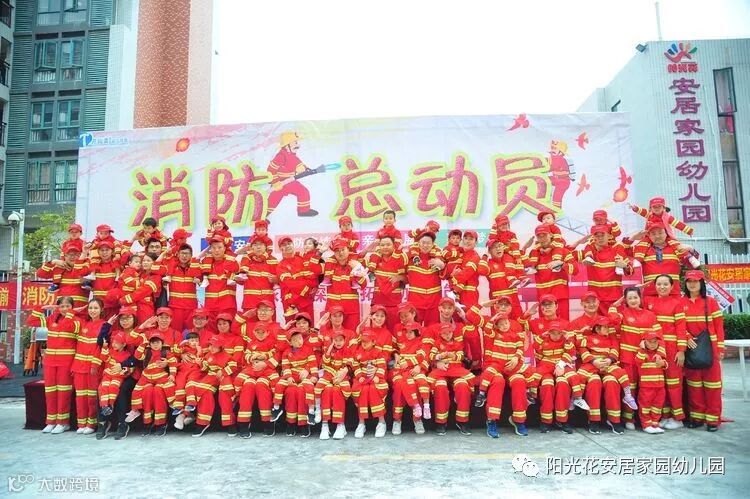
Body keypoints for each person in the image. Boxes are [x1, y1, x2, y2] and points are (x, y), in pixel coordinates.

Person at [608, 286, 664, 430]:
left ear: (640, 298)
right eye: (629, 298)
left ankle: (649, 420)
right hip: (628, 359)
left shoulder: (650, 315)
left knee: (647, 391)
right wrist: (615, 304)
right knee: (630, 389)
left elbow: (660, 337)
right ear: (625, 300)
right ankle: (629, 418)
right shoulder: (623, 314)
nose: (633, 300)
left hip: (648, 360)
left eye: (635, 297)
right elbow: (613, 319)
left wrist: (660, 354)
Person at [27, 297, 81, 434]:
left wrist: (71, 313)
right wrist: (41, 308)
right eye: (61, 306)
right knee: (50, 391)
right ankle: (51, 421)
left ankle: (63, 422)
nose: (64, 309)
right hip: (50, 361)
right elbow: (31, 322)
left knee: (64, 392)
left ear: (72, 307)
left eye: (68, 306)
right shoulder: (51, 319)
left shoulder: (76, 321)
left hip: (66, 361)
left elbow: (66, 326)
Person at [576, 316, 637, 434]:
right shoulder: (588, 338)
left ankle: (614, 420)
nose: (607, 329)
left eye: (607, 326)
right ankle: (593, 420)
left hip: (608, 365)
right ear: (597, 329)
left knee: (611, 382)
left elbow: (615, 351)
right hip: (592, 366)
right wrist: (594, 361)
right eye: (604, 327)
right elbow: (583, 350)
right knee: (594, 382)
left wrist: (609, 360)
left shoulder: (611, 339)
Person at [682, 270, 724, 431]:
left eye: (695, 281)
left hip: (710, 349)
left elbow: (719, 327)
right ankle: (697, 417)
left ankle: (713, 419)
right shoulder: (681, 302)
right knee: (694, 386)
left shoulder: (710, 302)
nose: (692, 284)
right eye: (689, 281)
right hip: (691, 350)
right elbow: (678, 325)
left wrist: (720, 347)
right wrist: (686, 337)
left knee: (712, 386)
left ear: (701, 283)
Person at [644, 274, 687, 429]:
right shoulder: (648, 301)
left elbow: (681, 328)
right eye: (659, 284)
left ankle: (678, 418)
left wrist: (681, 351)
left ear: (672, 286)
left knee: (674, 384)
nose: (662, 287)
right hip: (654, 348)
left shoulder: (677, 304)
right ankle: (666, 416)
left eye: (665, 284)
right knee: (660, 384)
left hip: (672, 349)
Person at [534, 321, 589, 434]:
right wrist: (541, 336)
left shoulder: (565, 341)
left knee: (563, 384)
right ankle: (545, 421)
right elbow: (535, 349)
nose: (556, 336)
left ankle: (563, 420)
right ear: (548, 333)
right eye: (553, 333)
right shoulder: (543, 340)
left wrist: (561, 364)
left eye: (558, 333)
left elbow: (570, 352)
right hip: (547, 368)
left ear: (562, 333)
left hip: (562, 367)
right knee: (547, 385)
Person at [234, 321, 280, 438]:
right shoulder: (251, 343)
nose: (260, 334)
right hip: (252, 370)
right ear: (254, 333)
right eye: (257, 332)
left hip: (265, 372)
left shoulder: (272, 342)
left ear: (268, 332)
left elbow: (277, 356)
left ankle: (268, 423)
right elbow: (246, 355)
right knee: (248, 385)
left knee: (261, 385)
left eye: (262, 332)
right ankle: (243, 425)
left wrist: (265, 362)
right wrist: (251, 358)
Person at [127, 331, 177, 436]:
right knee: (140, 391)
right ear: (149, 344)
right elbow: (137, 356)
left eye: (158, 342)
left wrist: (172, 374)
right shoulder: (147, 352)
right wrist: (143, 344)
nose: (155, 345)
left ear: (162, 343)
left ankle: (164, 419)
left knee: (165, 387)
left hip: (160, 377)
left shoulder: (166, 352)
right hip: (147, 378)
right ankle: (144, 420)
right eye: (153, 342)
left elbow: (173, 363)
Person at [428, 323, 474, 436]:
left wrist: (454, 356)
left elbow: (461, 356)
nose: (447, 335)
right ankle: (441, 422)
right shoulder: (437, 343)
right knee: (440, 387)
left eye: (449, 332)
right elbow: (431, 356)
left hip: (456, 369)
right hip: (441, 370)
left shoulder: (457, 343)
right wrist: (439, 357)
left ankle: (462, 421)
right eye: (444, 333)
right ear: (440, 334)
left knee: (463, 386)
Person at [271, 329, 318, 437]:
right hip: (292, 375)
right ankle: (277, 408)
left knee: (308, 388)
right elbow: (286, 366)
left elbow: (313, 363)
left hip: (305, 376)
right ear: (290, 342)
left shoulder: (308, 349)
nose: (299, 342)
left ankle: (310, 412)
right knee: (280, 385)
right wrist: (288, 377)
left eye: (300, 338)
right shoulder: (286, 352)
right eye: (295, 340)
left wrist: (314, 376)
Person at [186, 335, 236, 437]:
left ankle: (230, 424)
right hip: (211, 378)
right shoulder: (208, 355)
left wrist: (223, 372)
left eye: (214, 346)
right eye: (210, 345)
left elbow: (234, 366)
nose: (211, 348)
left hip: (224, 378)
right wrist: (200, 364)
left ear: (221, 347)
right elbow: (206, 368)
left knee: (224, 393)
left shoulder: (227, 356)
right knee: (205, 393)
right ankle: (202, 423)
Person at [525, 225, 576, 320]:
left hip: (560, 298)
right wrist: (524, 248)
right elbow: (523, 268)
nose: (542, 238)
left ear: (551, 235)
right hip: (543, 299)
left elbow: (575, 270)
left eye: (544, 235)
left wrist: (562, 264)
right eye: (539, 236)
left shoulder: (563, 251)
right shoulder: (534, 254)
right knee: (545, 327)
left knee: (563, 326)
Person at [71, 298, 106, 434]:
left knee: (91, 396)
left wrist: (95, 365)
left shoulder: (104, 326)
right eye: (90, 308)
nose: (92, 310)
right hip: (79, 366)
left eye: (96, 308)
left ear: (101, 310)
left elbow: (101, 348)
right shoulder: (83, 324)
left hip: (94, 367)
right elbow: (68, 317)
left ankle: (91, 423)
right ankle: (81, 423)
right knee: (80, 396)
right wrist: (75, 310)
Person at [580, 225, 632, 314]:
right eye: (597, 236)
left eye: (602, 235)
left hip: (614, 298)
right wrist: (579, 242)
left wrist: (625, 266)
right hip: (595, 300)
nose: (600, 238)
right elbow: (567, 254)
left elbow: (631, 271)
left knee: (616, 322)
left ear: (609, 236)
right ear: (593, 238)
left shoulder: (617, 250)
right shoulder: (588, 252)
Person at [391, 322, 430, 436]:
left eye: (411, 332)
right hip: (401, 371)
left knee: (415, 384)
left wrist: (417, 366)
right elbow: (392, 348)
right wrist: (395, 354)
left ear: (417, 333)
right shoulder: (401, 342)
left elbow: (423, 358)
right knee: (399, 386)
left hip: (415, 371)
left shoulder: (421, 343)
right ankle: (397, 420)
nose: (407, 334)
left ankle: (417, 419)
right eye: (406, 332)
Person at [266, 131, 318, 217]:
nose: (298, 145)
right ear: (287, 145)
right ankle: (262, 216)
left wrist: (306, 169)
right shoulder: (281, 156)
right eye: (295, 143)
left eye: (297, 142)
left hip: (290, 181)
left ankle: (303, 211)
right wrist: (275, 183)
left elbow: (298, 164)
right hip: (280, 183)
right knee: (272, 202)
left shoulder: (292, 155)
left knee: (303, 192)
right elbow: (271, 170)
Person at [350, 328, 389, 438]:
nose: (364, 343)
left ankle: (381, 422)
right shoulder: (358, 352)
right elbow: (355, 366)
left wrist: (377, 376)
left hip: (376, 378)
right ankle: (361, 423)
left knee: (373, 389)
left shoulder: (378, 352)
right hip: (362, 378)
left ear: (373, 342)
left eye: (367, 341)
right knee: (362, 390)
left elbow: (382, 366)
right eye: (363, 341)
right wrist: (359, 376)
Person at [364, 236, 407, 330]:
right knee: (375, 332)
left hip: (394, 304)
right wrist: (367, 250)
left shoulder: (401, 258)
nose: (385, 247)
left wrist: (399, 277)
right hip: (377, 303)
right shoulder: (374, 258)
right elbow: (358, 261)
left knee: (394, 331)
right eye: (382, 245)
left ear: (393, 245)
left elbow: (409, 278)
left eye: (388, 244)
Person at [323, 238, 367, 330]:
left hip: (351, 310)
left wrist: (356, 270)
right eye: (337, 251)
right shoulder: (329, 265)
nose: (340, 253)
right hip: (333, 309)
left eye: (343, 249)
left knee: (352, 335)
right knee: (331, 335)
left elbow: (364, 285)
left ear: (348, 249)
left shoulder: (356, 263)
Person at [316, 331, 353, 440]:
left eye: (341, 340)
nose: (338, 342)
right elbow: (324, 363)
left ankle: (340, 425)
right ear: (332, 341)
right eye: (335, 340)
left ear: (345, 341)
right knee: (327, 389)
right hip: (328, 377)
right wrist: (329, 349)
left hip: (341, 378)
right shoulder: (329, 350)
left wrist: (341, 374)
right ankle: (324, 424)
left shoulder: (347, 350)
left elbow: (350, 364)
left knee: (338, 390)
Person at [406, 231, 446, 326]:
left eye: (428, 243)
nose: (425, 245)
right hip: (415, 302)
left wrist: (442, 266)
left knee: (433, 330)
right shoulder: (410, 258)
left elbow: (446, 274)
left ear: (432, 244)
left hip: (434, 303)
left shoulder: (438, 259)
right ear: (418, 243)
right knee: (414, 330)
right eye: (423, 242)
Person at [37, 240, 89, 307]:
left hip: (80, 310)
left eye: (76, 254)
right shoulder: (58, 269)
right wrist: (53, 262)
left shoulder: (86, 268)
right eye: (69, 254)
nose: (72, 257)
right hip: (62, 309)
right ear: (64, 256)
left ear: (80, 255)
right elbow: (40, 274)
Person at [635, 331, 669, 434]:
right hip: (646, 387)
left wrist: (662, 363)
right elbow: (638, 360)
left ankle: (655, 424)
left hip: (660, 387)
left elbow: (666, 365)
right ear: (644, 342)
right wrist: (642, 348)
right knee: (645, 407)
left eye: (655, 342)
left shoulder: (659, 355)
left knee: (657, 406)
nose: (653, 344)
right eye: (650, 342)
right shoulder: (641, 353)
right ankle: (646, 425)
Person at [164, 244, 202, 333]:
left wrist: (199, 280)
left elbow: (202, 282)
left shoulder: (196, 268)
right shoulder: (170, 268)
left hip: (191, 307)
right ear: (178, 254)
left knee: (192, 333)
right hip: (175, 307)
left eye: (187, 254)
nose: (184, 256)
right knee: (175, 332)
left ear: (191, 255)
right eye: (182, 253)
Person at [200, 236, 240, 319]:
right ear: (210, 249)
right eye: (213, 248)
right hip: (210, 307)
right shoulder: (205, 263)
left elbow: (242, 281)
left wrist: (235, 278)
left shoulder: (233, 262)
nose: (216, 250)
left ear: (225, 248)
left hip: (228, 306)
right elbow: (197, 278)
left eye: (219, 247)